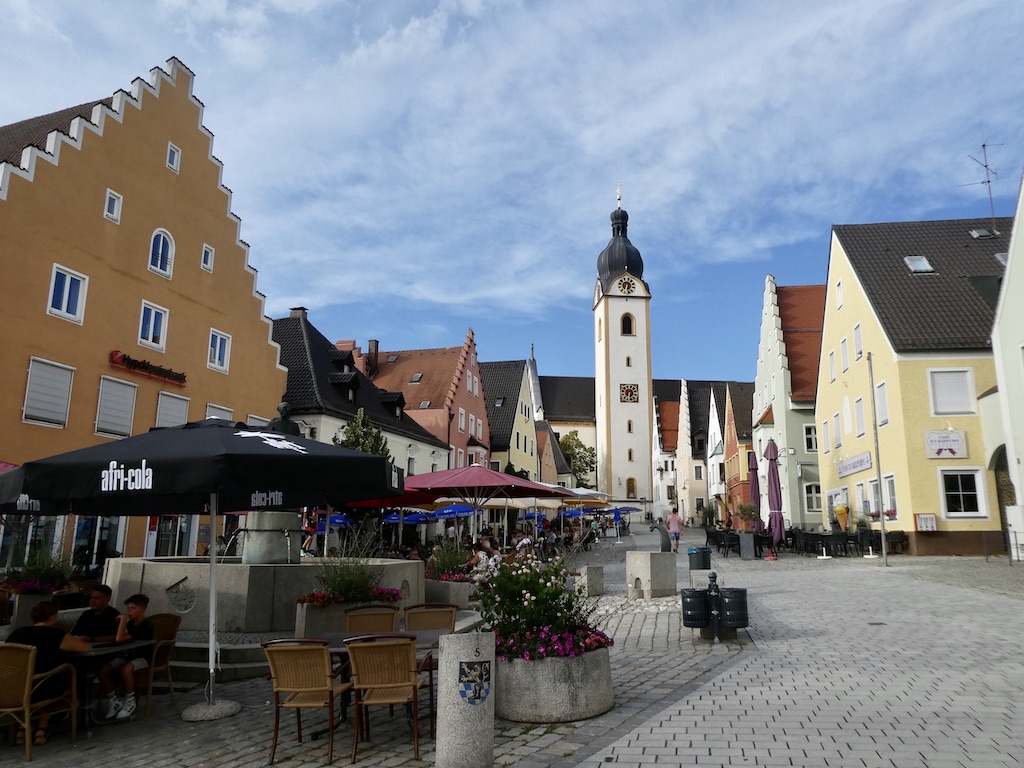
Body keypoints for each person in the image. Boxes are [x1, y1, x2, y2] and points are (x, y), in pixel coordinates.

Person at [6, 599, 91, 745]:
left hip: (14, 690)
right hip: (42, 688)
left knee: (29, 681)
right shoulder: (55, 634)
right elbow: (85, 648)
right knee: (59, 676)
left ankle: (22, 730)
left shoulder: (17, 633)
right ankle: (42, 728)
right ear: (53, 617)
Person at [95, 593, 154, 721]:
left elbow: (119, 638)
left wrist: (122, 620)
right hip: (128, 655)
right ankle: (113, 700)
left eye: (133, 608)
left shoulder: (146, 625)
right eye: (128, 608)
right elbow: (122, 638)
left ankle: (130, 700)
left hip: (142, 658)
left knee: (125, 669)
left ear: (143, 609)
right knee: (103, 670)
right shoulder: (131, 624)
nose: (129, 611)